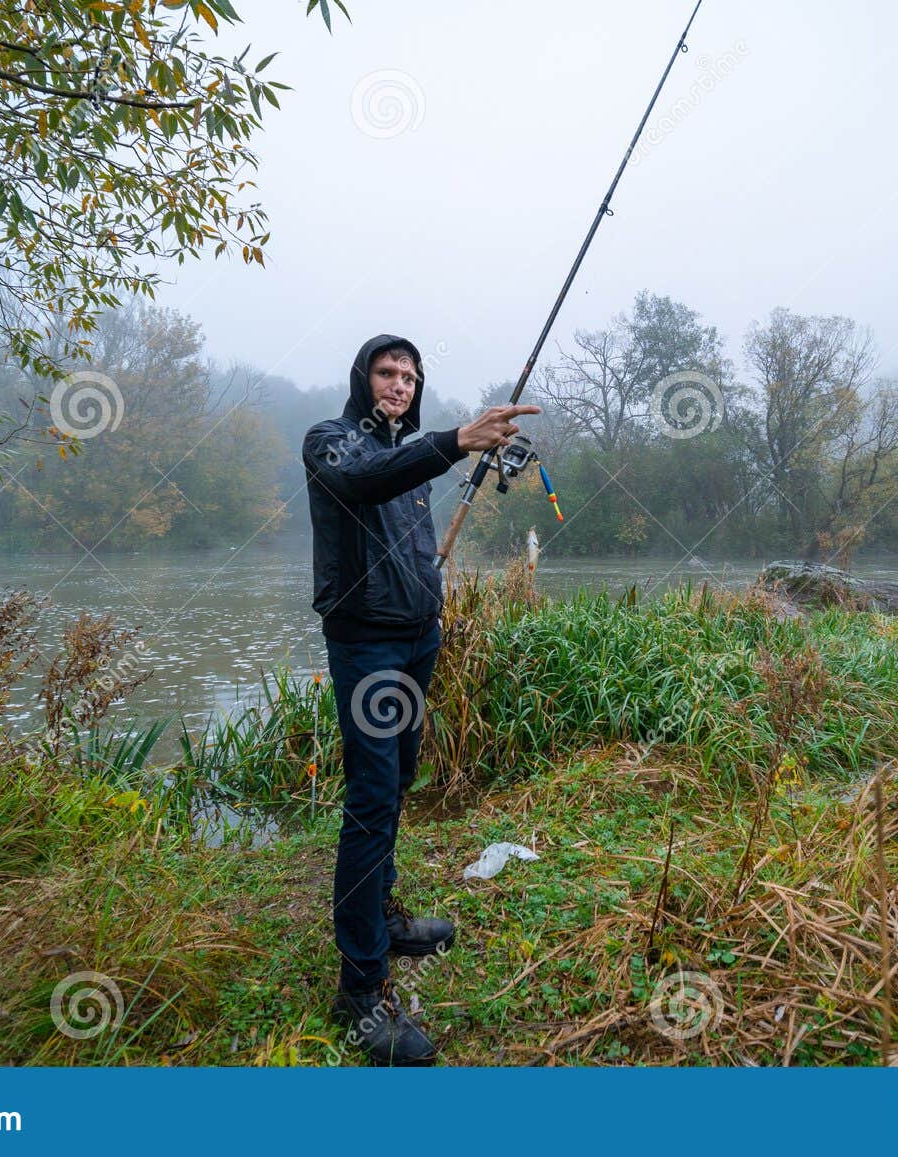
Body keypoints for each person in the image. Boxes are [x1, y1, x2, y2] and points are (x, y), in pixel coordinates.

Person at [302, 334, 540, 1065]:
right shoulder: (332, 442)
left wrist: (430, 600)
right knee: (372, 797)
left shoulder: (410, 460)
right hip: (366, 645)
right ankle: (360, 990)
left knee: (398, 781)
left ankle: (382, 915)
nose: (399, 385)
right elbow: (366, 478)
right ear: (362, 377)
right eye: (387, 372)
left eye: (410, 376)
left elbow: (402, 491)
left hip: (416, 640)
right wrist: (455, 441)